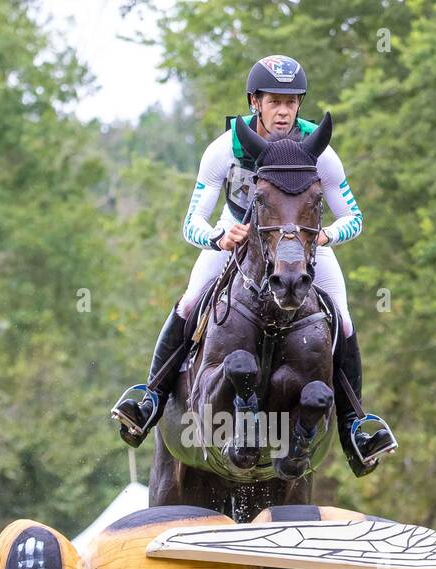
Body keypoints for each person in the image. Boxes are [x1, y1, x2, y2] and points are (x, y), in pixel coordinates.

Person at [109, 54, 397, 477]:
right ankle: (150, 396)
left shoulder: (320, 149)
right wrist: (216, 238)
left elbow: (354, 216)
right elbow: (191, 221)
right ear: (254, 101)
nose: (284, 111)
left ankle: (356, 424)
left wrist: (326, 236)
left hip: (300, 243)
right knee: (191, 301)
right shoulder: (226, 148)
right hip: (236, 233)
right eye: (274, 101)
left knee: (344, 319)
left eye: (292, 102)